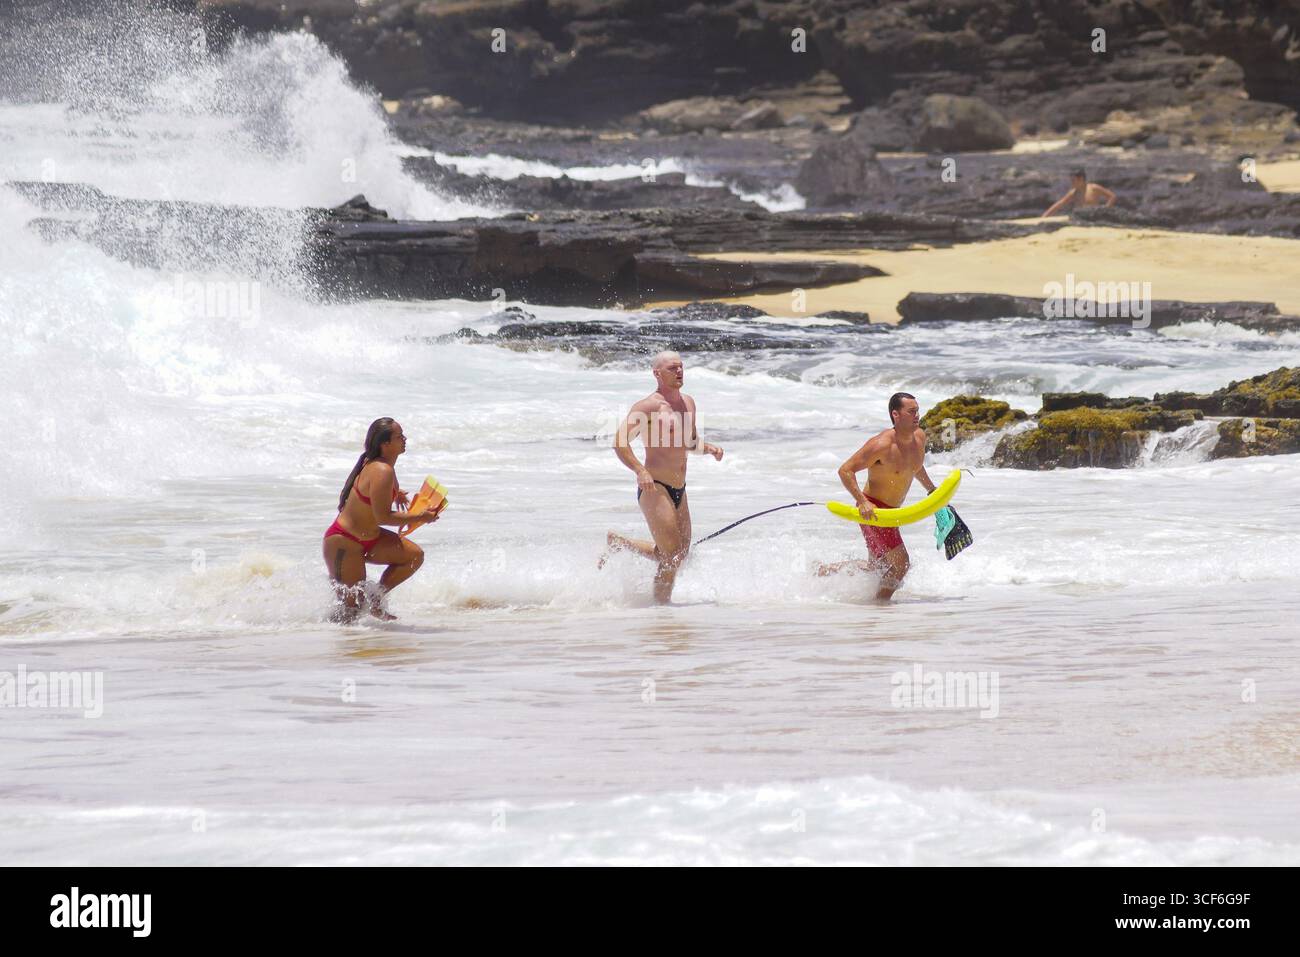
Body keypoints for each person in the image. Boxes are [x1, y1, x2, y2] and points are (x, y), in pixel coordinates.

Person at [602, 351, 723, 603]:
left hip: (680, 488)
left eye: (681, 367)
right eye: (672, 368)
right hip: (655, 487)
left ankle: (620, 543)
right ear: (657, 373)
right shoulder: (648, 406)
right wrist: (640, 470)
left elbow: (688, 441)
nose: (679, 372)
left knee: (679, 554)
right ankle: (661, 612)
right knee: (671, 555)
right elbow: (619, 441)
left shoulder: (688, 402)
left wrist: (708, 448)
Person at [818, 393, 937, 602]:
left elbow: (914, 467)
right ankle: (880, 606)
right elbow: (845, 470)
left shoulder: (919, 437)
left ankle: (825, 571)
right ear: (895, 414)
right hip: (874, 512)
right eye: (911, 411)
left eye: (917, 410)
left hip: (893, 513)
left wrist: (931, 490)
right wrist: (863, 502)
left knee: (876, 567)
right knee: (901, 564)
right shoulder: (882, 444)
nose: (917, 415)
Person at [323, 417, 435, 621]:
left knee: (414, 556)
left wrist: (395, 493)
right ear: (385, 444)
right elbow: (383, 516)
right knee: (349, 613)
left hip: (370, 538)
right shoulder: (382, 470)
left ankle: (375, 598)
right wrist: (420, 516)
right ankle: (332, 647)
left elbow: (369, 491)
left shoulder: (381, 466)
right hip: (344, 542)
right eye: (399, 436)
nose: (405, 439)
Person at [1040, 168, 1116, 217]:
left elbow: (1112, 196)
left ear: (1081, 179)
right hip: (1080, 217)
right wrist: (1046, 215)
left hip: (1094, 216)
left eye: (1073, 181)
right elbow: (1060, 203)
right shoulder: (1073, 192)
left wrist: (1105, 209)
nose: (1072, 183)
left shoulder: (1093, 188)